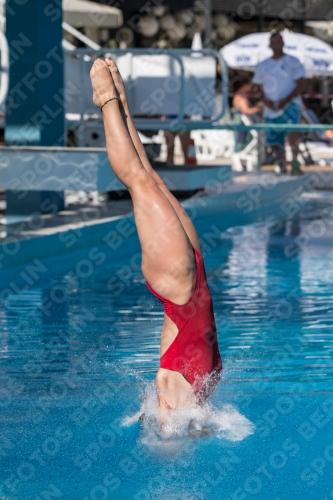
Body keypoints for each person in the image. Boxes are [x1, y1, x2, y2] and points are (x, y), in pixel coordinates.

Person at [90, 58, 222, 416]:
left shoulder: (174, 397)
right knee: (151, 175)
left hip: (178, 287)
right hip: (195, 280)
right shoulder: (199, 399)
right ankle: (120, 100)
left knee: (138, 179)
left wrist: (164, 426)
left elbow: (166, 439)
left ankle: (105, 101)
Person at [252, 31, 305, 174]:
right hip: (271, 108)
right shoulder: (263, 65)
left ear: (283, 43)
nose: (276, 45)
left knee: (293, 133)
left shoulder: (293, 61)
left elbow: (301, 84)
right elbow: (256, 86)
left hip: (291, 105)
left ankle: (295, 164)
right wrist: (266, 102)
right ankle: (282, 167)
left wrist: (286, 100)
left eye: (278, 42)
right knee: (275, 139)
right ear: (270, 45)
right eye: (273, 42)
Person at [232, 76, 263, 153]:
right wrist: (259, 108)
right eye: (250, 86)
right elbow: (245, 111)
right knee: (240, 140)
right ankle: (238, 155)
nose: (251, 88)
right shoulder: (239, 96)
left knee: (241, 140)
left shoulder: (242, 95)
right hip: (241, 123)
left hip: (242, 122)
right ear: (246, 85)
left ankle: (240, 155)